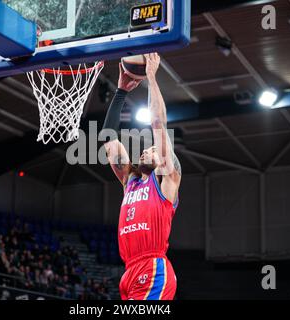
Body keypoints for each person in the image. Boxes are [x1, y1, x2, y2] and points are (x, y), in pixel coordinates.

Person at [102, 53, 182, 300]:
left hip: (154, 269)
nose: (150, 149)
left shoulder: (167, 182)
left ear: (162, 162)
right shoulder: (130, 182)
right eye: (148, 148)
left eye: (156, 150)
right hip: (129, 271)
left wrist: (151, 78)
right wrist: (120, 92)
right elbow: (108, 139)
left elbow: (158, 122)